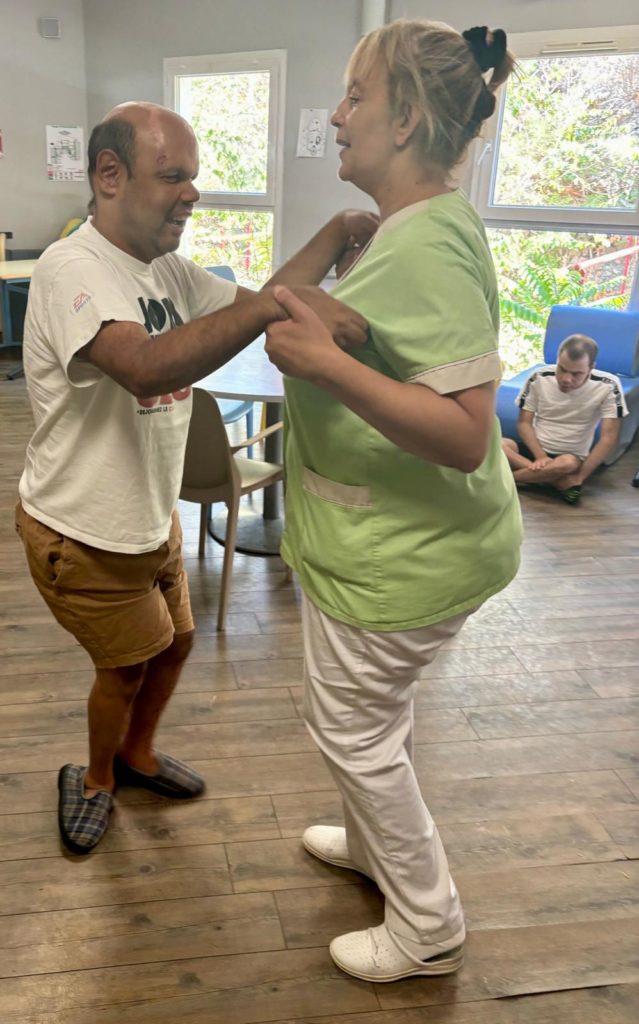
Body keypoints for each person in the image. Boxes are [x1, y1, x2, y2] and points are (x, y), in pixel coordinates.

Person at [15, 101, 375, 856]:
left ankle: (137, 755)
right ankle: (95, 779)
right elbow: (145, 367)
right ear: (109, 175)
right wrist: (278, 306)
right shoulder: (71, 268)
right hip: (81, 527)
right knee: (124, 668)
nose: (192, 193)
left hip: (148, 516)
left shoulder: (166, 270)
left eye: (194, 177)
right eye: (172, 176)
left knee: (175, 644)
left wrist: (338, 229)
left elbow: (263, 303)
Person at [264, 20, 522, 983]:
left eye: (355, 96)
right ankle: (377, 852)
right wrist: (333, 247)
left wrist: (328, 365)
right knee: (374, 721)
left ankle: (427, 925)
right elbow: (278, 306)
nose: (336, 116)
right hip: (389, 543)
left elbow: (464, 433)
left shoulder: (429, 248)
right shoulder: (411, 232)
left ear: (406, 117)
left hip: (403, 556)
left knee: (355, 734)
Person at [501, 333, 628, 503]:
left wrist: (580, 477)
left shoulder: (609, 385)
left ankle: (508, 480)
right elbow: (524, 423)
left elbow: (609, 438)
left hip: (569, 457)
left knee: (567, 464)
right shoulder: (539, 377)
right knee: (496, 444)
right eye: (561, 369)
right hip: (533, 450)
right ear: (557, 360)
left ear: (591, 367)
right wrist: (540, 456)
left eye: (576, 374)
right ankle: (555, 481)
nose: (566, 379)